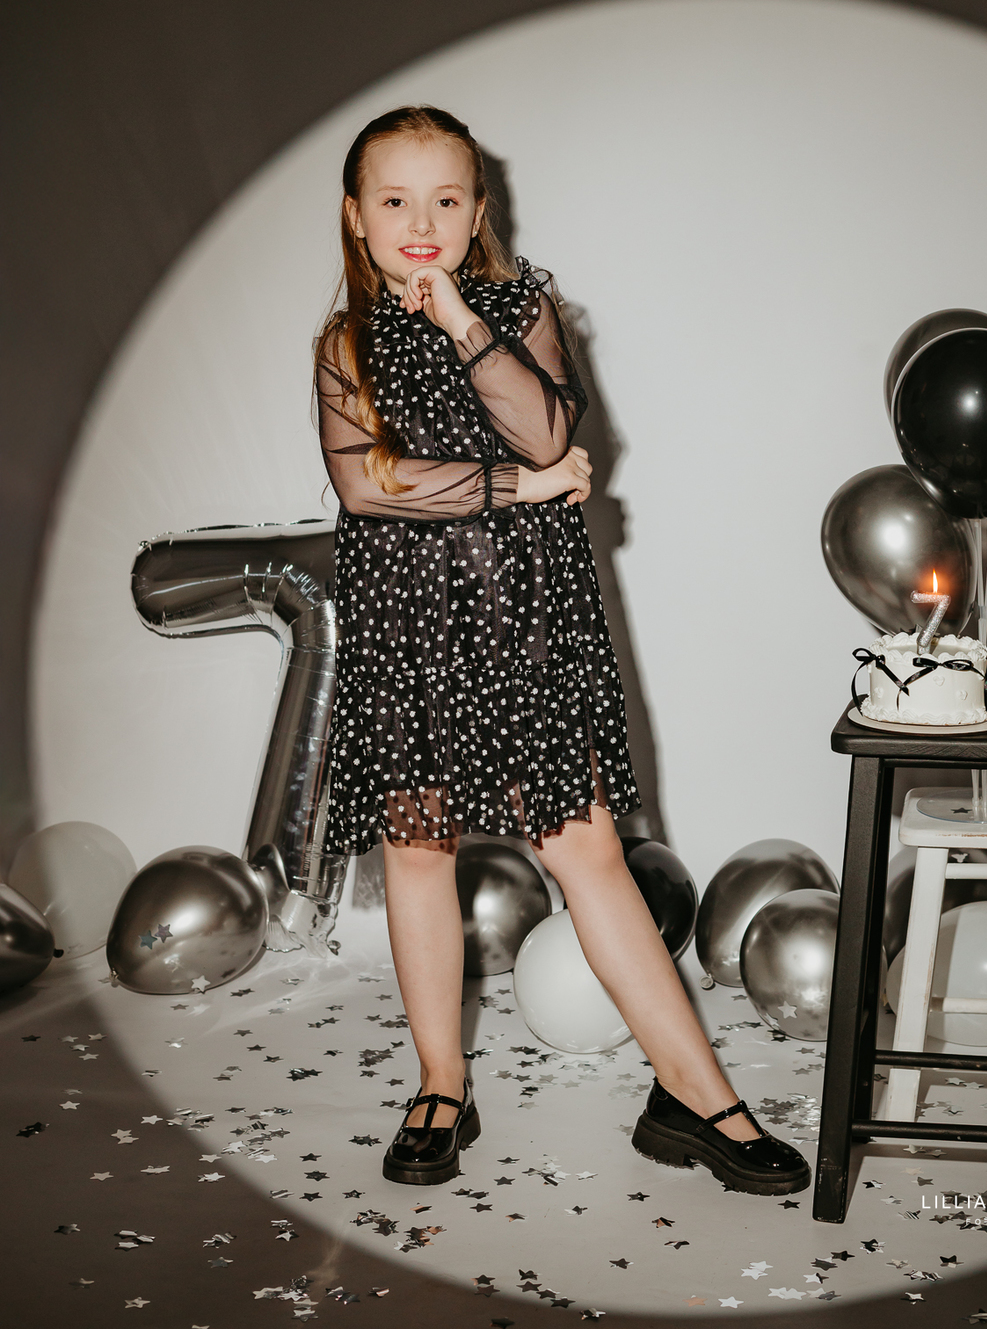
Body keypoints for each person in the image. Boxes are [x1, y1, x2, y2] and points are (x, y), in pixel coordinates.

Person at [313, 105, 810, 1198]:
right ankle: (441, 1085)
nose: (421, 222)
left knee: (585, 851)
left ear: (477, 211)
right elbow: (370, 482)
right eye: (395, 200)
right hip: (407, 628)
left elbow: (548, 430)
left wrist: (460, 319)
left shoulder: (520, 307)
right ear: (357, 217)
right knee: (418, 850)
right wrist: (520, 487)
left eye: (446, 199)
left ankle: (696, 1097)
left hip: (524, 622)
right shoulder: (345, 345)